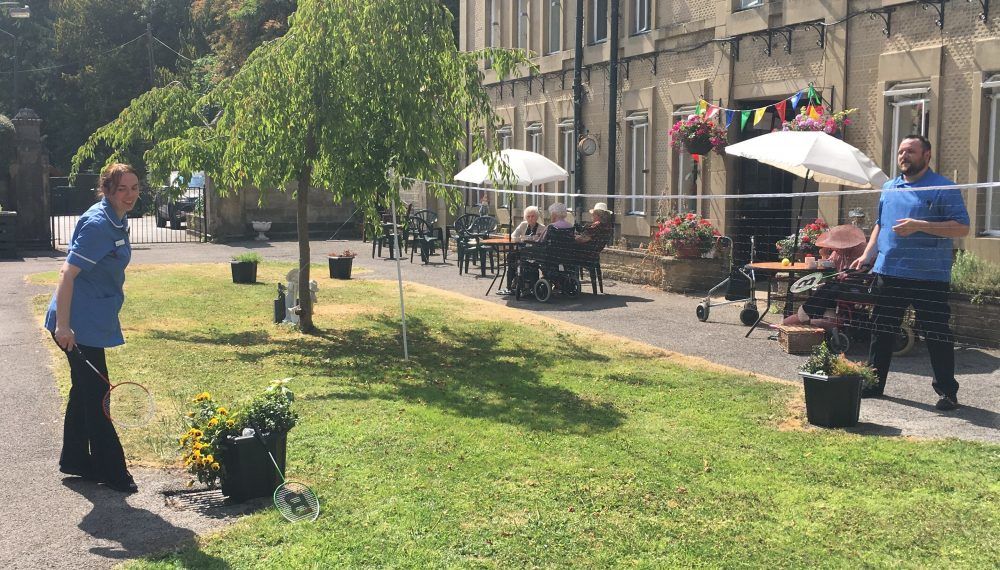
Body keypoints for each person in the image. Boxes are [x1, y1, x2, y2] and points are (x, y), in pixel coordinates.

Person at [849, 134, 970, 410]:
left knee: (937, 334)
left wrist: (920, 225)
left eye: (911, 151)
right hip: (889, 273)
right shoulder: (890, 187)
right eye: (901, 151)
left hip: (929, 277)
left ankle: (947, 392)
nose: (903, 156)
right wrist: (868, 254)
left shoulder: (943, 188)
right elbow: (881, 224)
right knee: (881, 330)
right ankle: (873, 383)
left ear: (927, 156)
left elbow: (962, 228)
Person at [45, 163, 142, 492]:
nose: (129, 195)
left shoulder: (116, 216)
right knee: (99, 394)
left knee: (84, 391)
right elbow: (66, 274)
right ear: (107, 191)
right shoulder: (99, 224)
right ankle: (113, 472)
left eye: (134, 187)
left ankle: (75, 460)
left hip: (88, 320)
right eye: (121, 189)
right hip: (75, 326)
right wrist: (63, 326)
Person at [781, 225, 867, 328]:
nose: (832, 248)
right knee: (827, 286)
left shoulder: (862, 252)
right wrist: (824, 255)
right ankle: (822, 318)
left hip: (857, 286)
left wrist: (846, 274)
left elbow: (864, 271)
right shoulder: (838, 252)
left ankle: (805, 313)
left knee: (830, 288)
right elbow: (827, 265)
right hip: (840, 285)